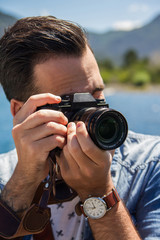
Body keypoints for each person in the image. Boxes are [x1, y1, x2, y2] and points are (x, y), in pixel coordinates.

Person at [0, 16, 160, 240]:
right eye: (69, 104)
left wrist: (99, 192)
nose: (93, 112)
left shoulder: (151, 163)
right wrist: (23, 182)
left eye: (97, 95)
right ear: (20, 111)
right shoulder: (4, 176)